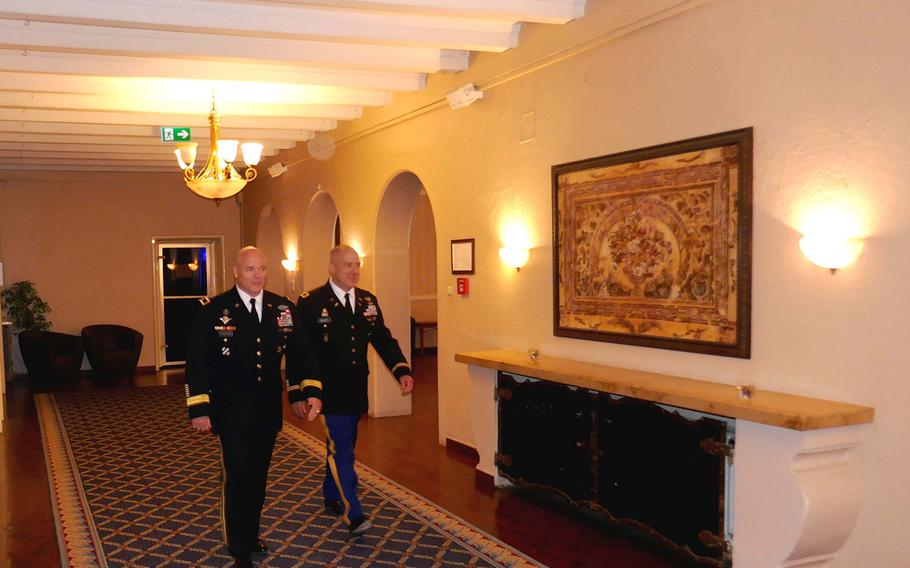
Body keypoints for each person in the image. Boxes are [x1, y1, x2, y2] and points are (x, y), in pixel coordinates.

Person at [185, 246, 323, 568]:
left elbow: (303, 353)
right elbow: (197, 363)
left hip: (266, 412)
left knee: (258, 478)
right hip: (229, 412)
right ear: (236, 271)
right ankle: (240, 548)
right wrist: (199, 408)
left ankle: (250, 533)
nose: (257, 275)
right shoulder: (214, 309)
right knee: (238, 477)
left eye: (262, 269)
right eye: (250, 269)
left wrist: (308, 391)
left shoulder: (282, 308)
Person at [296, 245, 414, 539]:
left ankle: (330, 493)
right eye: (348, 265)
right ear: (332, 268)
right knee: (343, 451)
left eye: (357, 265)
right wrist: (301, 390)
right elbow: (301, 351)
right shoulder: (311, 303)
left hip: (356, 388)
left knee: (340, 446)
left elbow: (382, 338)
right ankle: (354, 513)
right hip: (327, 391)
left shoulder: (367, 301)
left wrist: (401, 369)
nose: (355, 271)